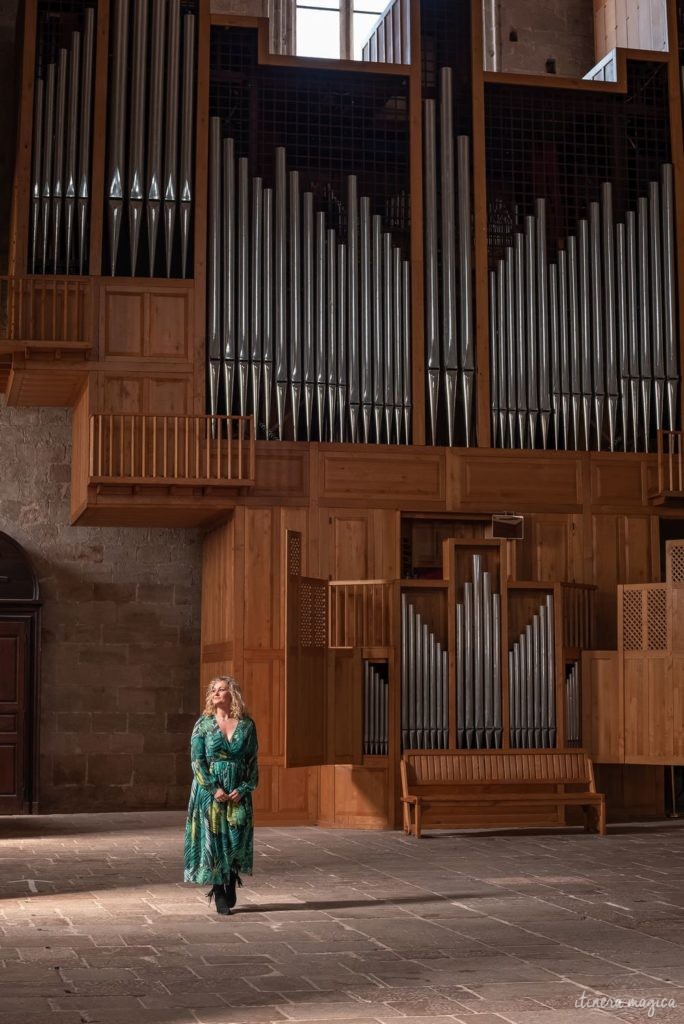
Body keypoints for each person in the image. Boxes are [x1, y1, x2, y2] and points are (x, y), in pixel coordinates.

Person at [184, 676, 259, 914]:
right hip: (209, 792)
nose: (216, 693)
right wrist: (213, 788)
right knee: (213, 840)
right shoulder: (203, 724)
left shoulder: (247, 725)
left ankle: (231, 877)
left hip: (237, 791)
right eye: (214, 690)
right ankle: (218, 889)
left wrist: (244, 788)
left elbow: (252, 762)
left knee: (237, 838)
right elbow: (197, 761)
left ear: (232, 694)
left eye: (222, 689)